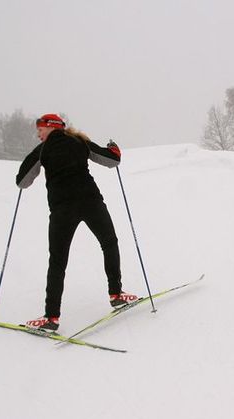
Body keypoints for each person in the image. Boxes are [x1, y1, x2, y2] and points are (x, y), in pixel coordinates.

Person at [16, 114, 138, 331]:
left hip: (63, 209)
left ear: (50, 127)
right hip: (91, 202)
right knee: (109, 242)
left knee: (57, 261)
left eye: (40, 129)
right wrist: (114, 148)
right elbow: (112, 160)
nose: (38, 134)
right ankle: (116, 294)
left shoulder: (41, 150)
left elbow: (22, 181)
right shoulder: (80, 141)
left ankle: (51, 318)